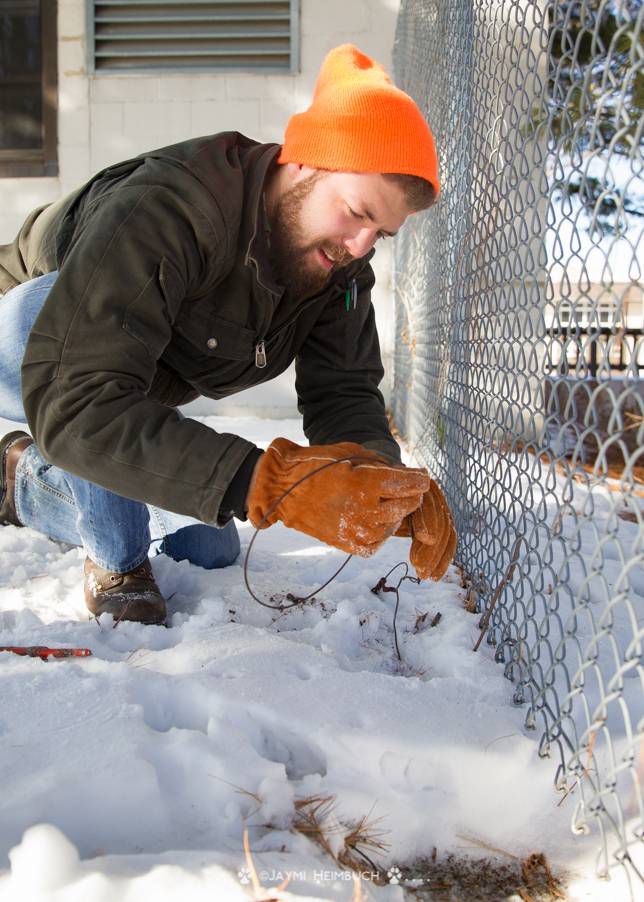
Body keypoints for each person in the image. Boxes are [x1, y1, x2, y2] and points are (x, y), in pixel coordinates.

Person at [0, 44, 456, 625]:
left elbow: (343, 390)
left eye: (382, 234)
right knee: (123, 507)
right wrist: (271, 482)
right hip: (44, 349)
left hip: (128, 376)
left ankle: (21, 480)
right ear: (304, 163)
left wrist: (384, 485)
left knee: (209, 551)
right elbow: (80, 396)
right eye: (357, 212)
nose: (361, 247)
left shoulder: (335, 264)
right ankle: (116, 561)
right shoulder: (172, 206)